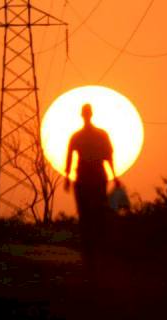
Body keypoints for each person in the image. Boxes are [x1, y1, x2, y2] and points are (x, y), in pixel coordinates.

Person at [64, 104, 119, 281]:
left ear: (85, 115)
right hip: (86, 178)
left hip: (93, 177)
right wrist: (66, 176)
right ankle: (91, 256)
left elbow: (108, 156)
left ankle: (96, 254)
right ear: (88, 115)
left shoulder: (88, 135)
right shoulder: (86, 136)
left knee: (94, 216)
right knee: (88, 216)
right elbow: (70, 156)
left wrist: (115, 176)